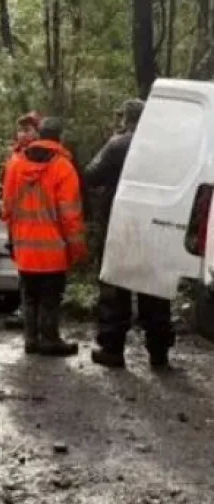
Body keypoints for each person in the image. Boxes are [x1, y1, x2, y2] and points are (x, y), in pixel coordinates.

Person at [84, 100, 174, 369]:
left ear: (126, 119)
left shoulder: (118, 144)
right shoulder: (166, 148)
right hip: (157, 224)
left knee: (115, 287)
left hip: (121, 224)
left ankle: (112, 349)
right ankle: (159, 353)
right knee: (155, 288)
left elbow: (91, 175)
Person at [1, 117, 87, 356]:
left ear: (39, 136)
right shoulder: (63, 168)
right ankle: (49, 338)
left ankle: (31, 339)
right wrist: (77, 248)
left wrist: (14, 236)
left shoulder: (15, 165)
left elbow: (6, 208)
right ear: (60, 137)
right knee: (50, 297)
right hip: (53, 249)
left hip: (24, 247)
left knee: (29, 296)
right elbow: (71, 215)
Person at [1, 112, 42, 331]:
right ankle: (26, 310)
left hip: (39, 223)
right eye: (20, 130)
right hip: (17, 223)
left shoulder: (45, 155)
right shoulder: (14, 157)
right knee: (22, 267)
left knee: (36, 272)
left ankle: (33, 314)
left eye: (28, 129)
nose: (23, 134)